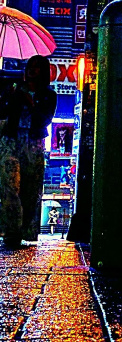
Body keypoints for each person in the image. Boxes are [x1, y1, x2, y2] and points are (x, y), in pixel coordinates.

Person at [0, 57, 57, 248]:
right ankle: (11, 231)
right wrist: (10, 97)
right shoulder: (15, 88)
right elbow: (3, 112)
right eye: (30, 67)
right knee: (10, 185)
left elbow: (45, 119)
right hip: (12, 140)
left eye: (37, 68)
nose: (32, 71)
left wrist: (32, 103)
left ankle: (25, 230)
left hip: (34, 143)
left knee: (30, 189)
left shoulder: (49, 95)